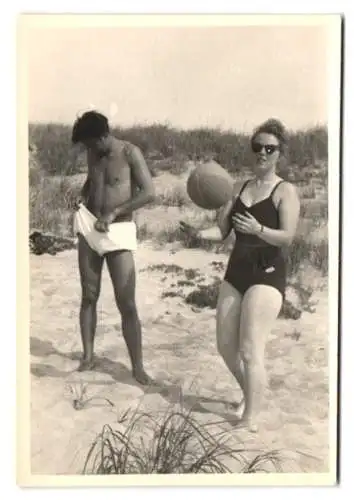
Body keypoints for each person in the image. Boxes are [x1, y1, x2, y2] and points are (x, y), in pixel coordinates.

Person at [180, 119, 300, 431]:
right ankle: (253, 390)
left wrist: (259, 229)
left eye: (269, 148)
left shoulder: (285, 191)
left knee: (250, 348)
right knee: (225, 346)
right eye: (257, 147)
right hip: (237, 272)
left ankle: (250, 420)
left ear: (279, 154)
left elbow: (287, 236)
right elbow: (221, 232)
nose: (262, 152)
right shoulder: (239, 188)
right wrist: (196, 232)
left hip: (267, 272)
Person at [71, 110, 155, 384]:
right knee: (89, 295)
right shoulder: (92, 153)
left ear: (104, 135)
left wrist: (114, 212)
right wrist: (82, 198)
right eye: (86, 146)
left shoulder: (130, 153)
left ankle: (138, 367)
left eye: (92, 143)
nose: (90, 149)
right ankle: (88, 357)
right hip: (90, 227)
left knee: (126, 302)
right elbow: (94, 180)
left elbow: (148, 193)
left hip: (118, 230)